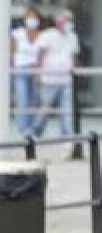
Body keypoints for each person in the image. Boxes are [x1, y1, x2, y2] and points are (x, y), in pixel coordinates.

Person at [35, 10, 80, 138]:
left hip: (66, 79)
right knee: (45, 108)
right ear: (58, 21)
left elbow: (73, 56)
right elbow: (41, 55)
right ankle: (36, 132)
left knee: (66, 109)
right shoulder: (48, 35)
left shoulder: (73, 36)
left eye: (70, 20)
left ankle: (67, 134)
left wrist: (74, 71)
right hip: (49, 79)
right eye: (66, 19)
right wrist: (38, 74)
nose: (68, 23)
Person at [11, 7, 44, 137]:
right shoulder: (18, 33)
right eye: (29, 17)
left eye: (34, 17)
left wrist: (39, 72)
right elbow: (11, 51)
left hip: (34, 70)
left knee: (33, 100)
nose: (31, 20)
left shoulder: (41, 35)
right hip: (20, 69)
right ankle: (22, 128)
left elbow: (41, 54)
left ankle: (31, 128)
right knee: (22, 99)